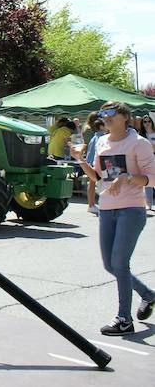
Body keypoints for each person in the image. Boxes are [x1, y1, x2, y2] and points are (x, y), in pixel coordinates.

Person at [72, 101, 155, 335]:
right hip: (107, 208)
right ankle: (148, 295)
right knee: (110, 265)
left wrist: (128, 177)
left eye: (110, 113)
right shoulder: (101, 141)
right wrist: (79, 159)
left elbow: (153, 178)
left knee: (120, 263)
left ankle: (124, 319)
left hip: (131, 209)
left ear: (125, 116)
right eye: (102, 114)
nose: (104, 117)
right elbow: (98, 178)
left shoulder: (139, 143)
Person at [85, 117, 106, 215]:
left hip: (91, 163)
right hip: (97, 164)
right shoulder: (101, 138)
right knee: (99, 184)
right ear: (101, 126)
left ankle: (91, 205)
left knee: (93, 184)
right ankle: (92, 205)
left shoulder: (94, 137)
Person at [140, 115, 155, 210]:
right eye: (145, 122)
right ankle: (149, 203)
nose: (147, 123)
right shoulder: (141, 135)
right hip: (147, 159)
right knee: (148, 181)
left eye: (149, 121)